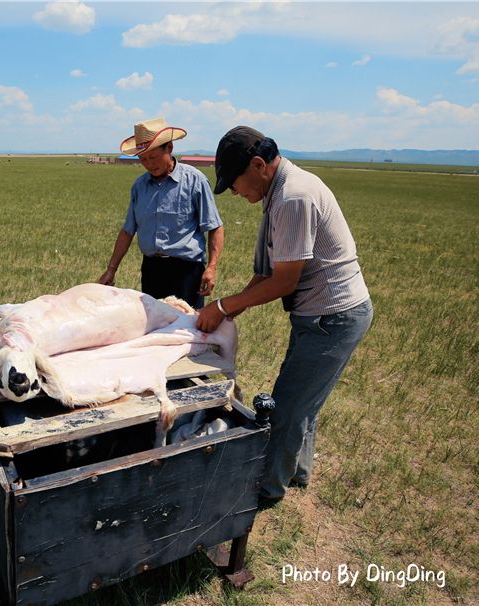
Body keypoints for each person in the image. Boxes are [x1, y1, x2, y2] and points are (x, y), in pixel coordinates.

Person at [196, 126, 373, 509]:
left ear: (259, 165)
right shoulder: (280, 191)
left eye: (236, 184)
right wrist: (231, 307)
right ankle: (296, 473)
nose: (237, 194)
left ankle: (266, 489)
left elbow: (284, 280)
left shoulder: (293, 198)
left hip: (333, 317)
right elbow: (268, 273)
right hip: (321, 315)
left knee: (289, 405)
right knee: (304, 399)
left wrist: (223, 307)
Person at [97, 118, 223, 309]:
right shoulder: (139, 187)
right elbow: (127, 231)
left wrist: (212, 267)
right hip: (152, 270)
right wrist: (111, 270)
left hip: (187, 272)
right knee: (154, 329)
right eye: (142, 159)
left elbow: (214, 226)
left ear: (169, 148)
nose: (148, 164)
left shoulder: (195, 181)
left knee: (186, 330)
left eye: (153, 156)